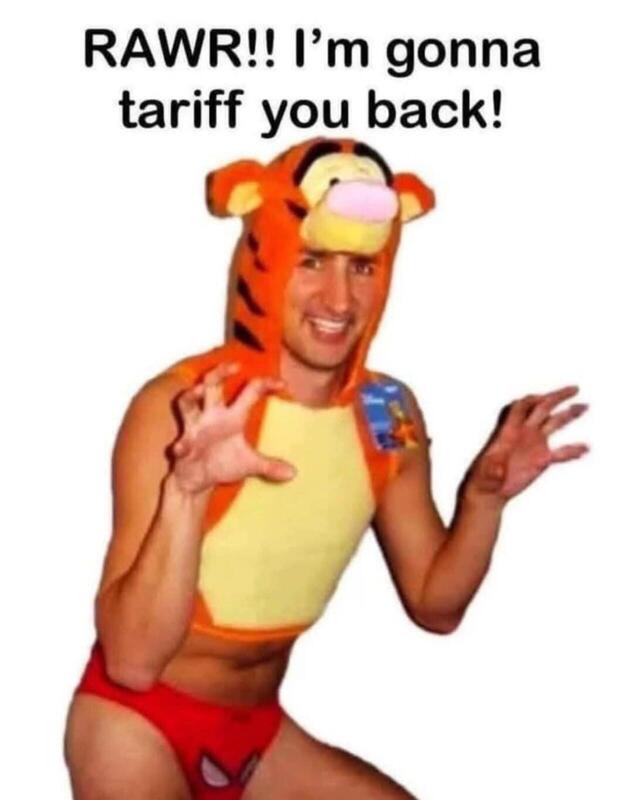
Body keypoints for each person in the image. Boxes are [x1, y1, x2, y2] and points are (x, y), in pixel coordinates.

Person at [64, 137, 589, 799]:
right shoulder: (185, 405)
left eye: (361, 266)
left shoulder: (385, 411)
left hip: (258, 732)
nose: (339, 299)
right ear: (268, 258)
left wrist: (484, 499)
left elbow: (436, 606)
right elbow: (132, 663)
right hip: (136, 725)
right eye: (311, 260)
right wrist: (188, 490)